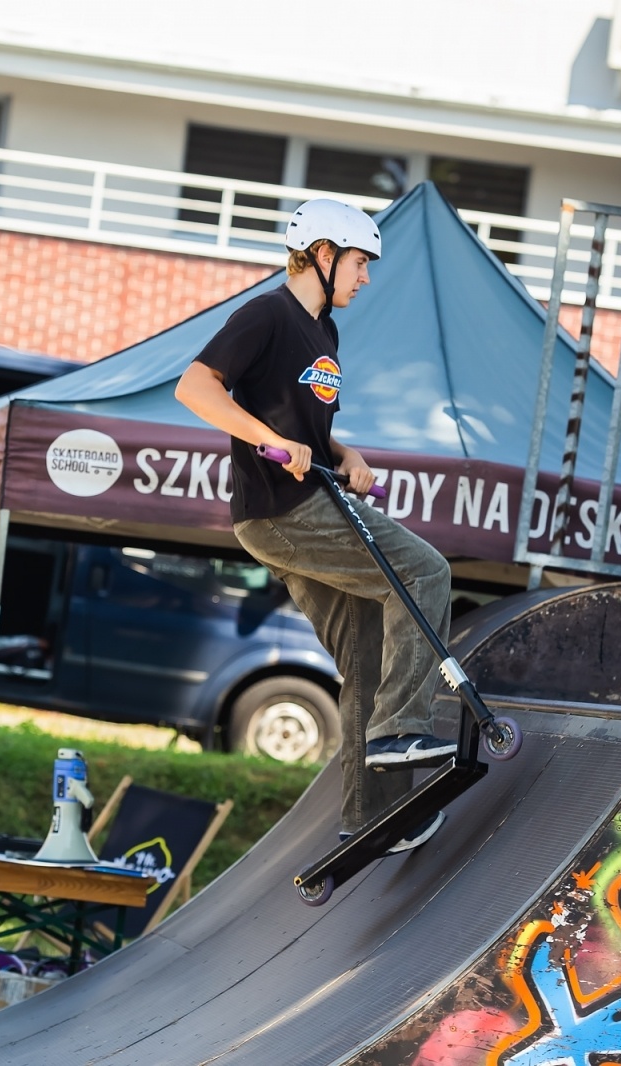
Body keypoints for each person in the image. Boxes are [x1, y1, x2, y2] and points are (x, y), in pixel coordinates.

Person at [175, 198, 454, 852]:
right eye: (359, 263)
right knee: (424, 572)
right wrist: (267, 440)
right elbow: (195, 387)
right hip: (284, 511)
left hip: (301, 506)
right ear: (322, 254)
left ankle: (373, 818)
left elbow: (303, 426)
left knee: (364, 650)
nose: (366, 277)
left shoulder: (323, 331)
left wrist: (343, 452)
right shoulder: (267, 315)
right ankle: (400, 729)